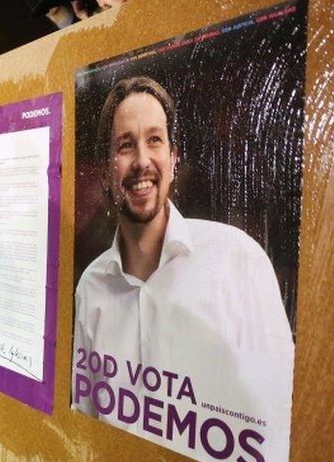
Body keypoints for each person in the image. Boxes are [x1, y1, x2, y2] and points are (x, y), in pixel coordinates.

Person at [71, 77, 293, 431]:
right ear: (105, 170)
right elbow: (87, 420)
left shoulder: (238, 260)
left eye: (154, 140)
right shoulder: (92, 287)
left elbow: (282, 415)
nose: (142, 161)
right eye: (125, 145)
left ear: (173, 160)